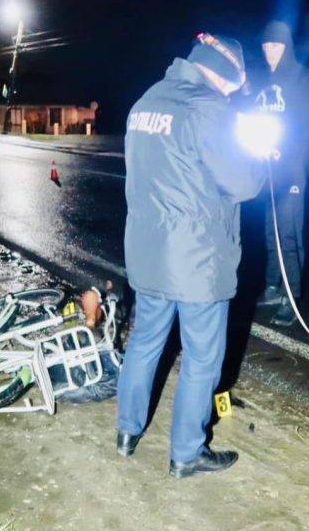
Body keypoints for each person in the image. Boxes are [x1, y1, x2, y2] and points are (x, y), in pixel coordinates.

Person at [117, 32, 266, 478]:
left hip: (147, 251)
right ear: (222, 74)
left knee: (144, 343)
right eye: (231, 85)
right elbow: (244, 184)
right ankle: (186, 452)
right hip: (197, 259)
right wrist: (258, 155)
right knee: (202, 357)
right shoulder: (208, 108)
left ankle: (127, 431)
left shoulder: (145, 101)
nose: (229, 93)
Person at [254, 21, 309, 326]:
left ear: (287, 47)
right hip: (265, 169)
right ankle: (271, 285)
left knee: (289, 234)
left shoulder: (305, 79)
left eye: (276, 46)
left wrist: (296, 168)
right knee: (271, 229)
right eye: (266, 46)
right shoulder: (263, 81)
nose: (270, 52)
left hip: (291, 170)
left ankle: (290, 297)